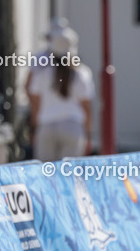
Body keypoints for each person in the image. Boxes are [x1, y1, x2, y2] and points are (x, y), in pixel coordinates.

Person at [28, 27, 94, 161]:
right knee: (68, 176)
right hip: (73, 126)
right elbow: (86, 106)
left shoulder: (42, 73)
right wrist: (88, 134)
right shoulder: (82, 73)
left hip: (46, 126)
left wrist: (34, 128)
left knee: (46, 175)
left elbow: (35, 103)